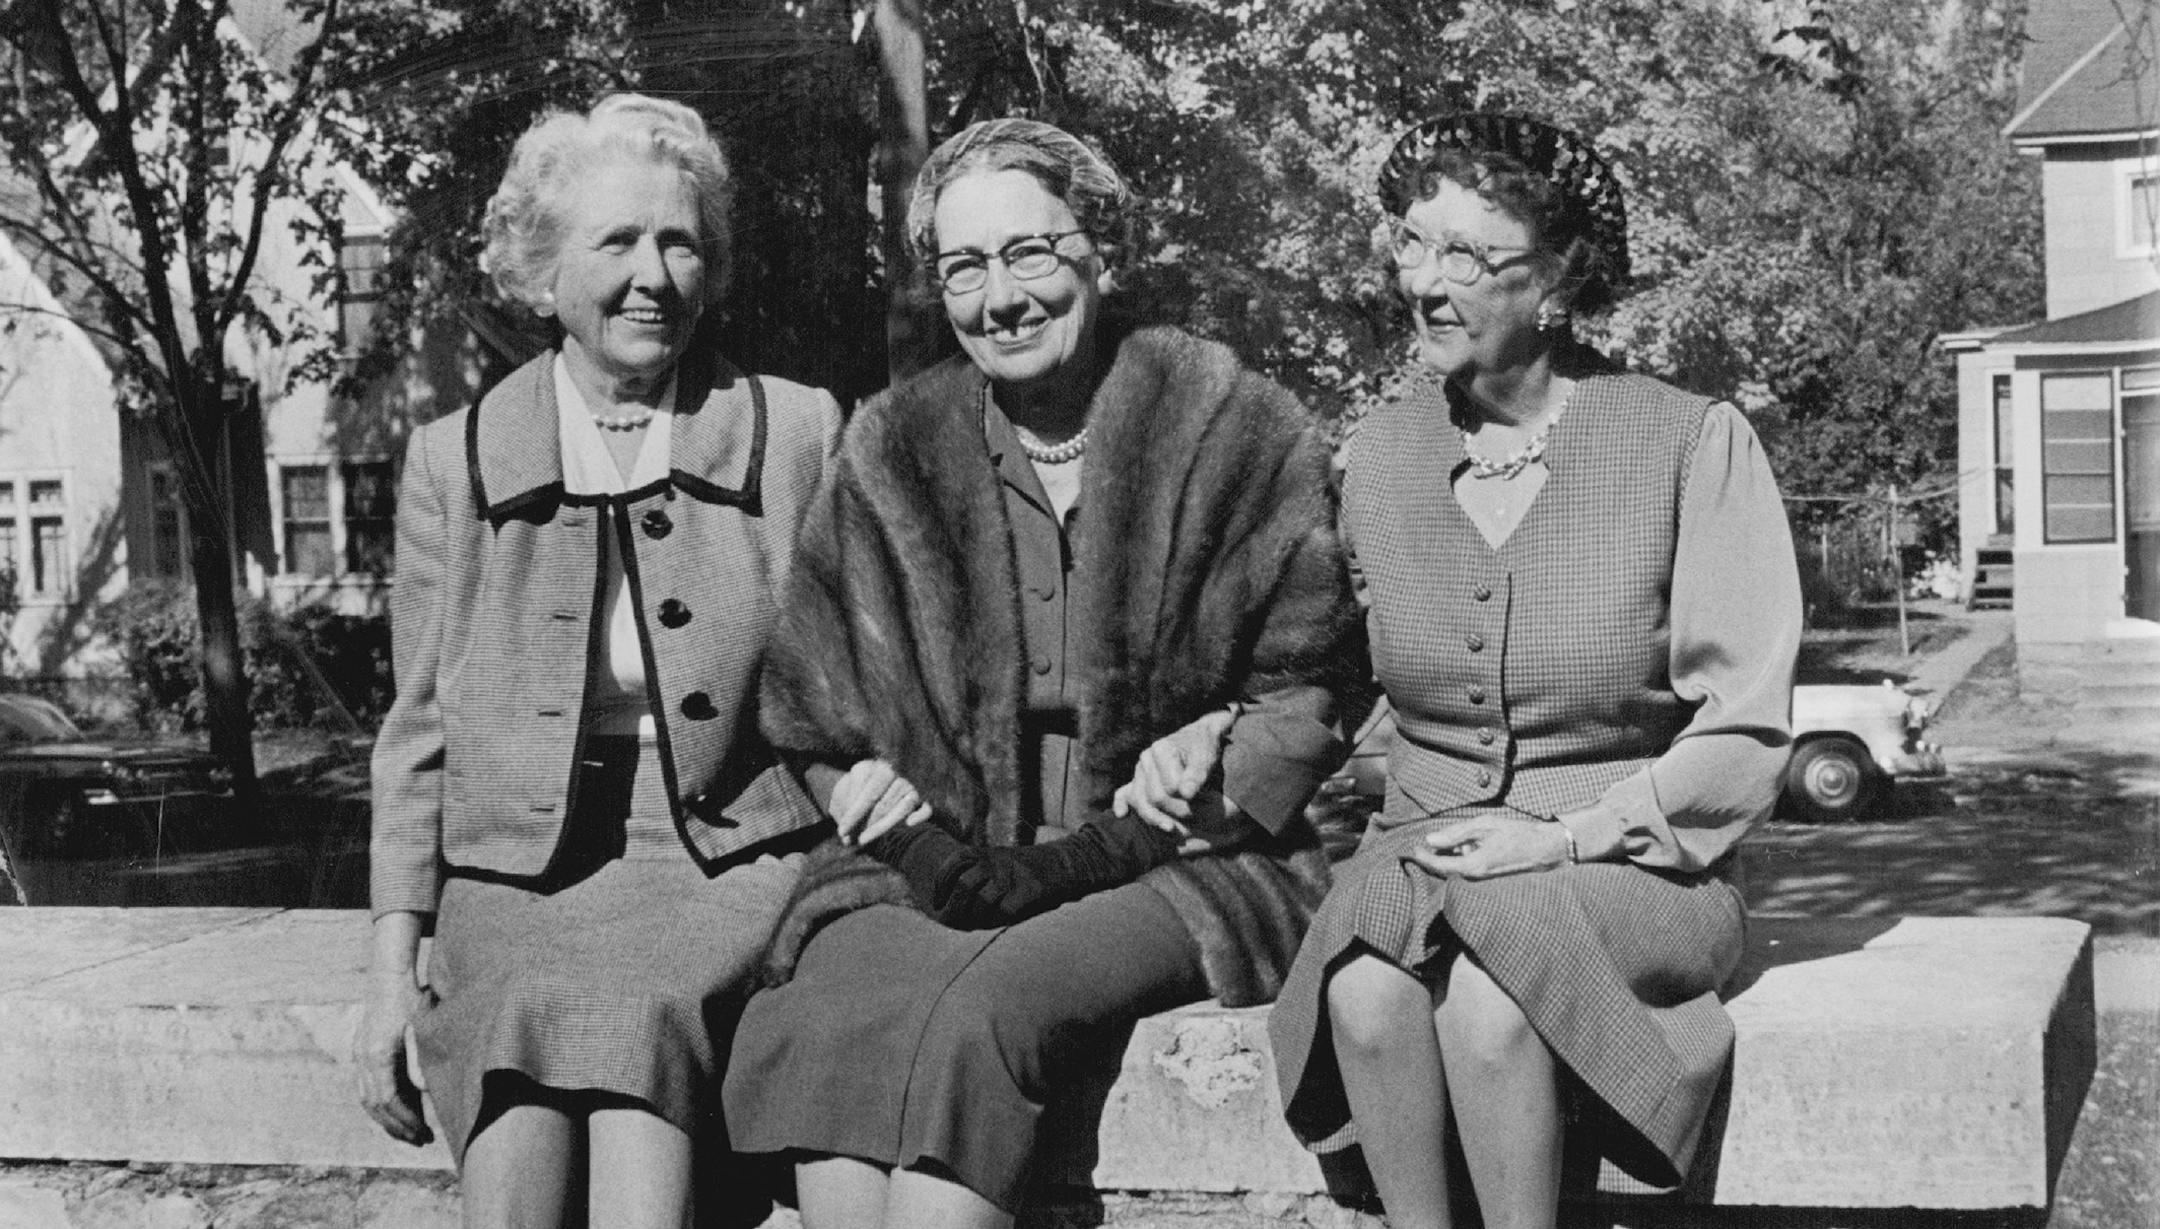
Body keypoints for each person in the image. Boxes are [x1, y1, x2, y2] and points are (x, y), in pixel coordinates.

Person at [720, 117, 1367, 1229]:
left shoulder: (1236, 426)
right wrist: (869, 801)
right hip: (949, 859)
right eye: (964, 267)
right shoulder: (892, 446)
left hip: (1180, 853)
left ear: (1099, 253)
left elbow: (1315, 689)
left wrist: (1219, 738)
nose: (1000, 297)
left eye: (1030, 252)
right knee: (821, 1009)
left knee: (989, 1009)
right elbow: (815, 715)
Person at [1267, 113, 1802, 1229]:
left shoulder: (1688, 442)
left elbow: (1744, 721)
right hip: (1423, 846)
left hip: (1634, 866)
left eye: (1466, 255)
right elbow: (1315, 679)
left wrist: (1568, 837)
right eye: (1412, 242)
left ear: (1557, 284)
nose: (1423, 281)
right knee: (1365, 990)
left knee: (1490, 996)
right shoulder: (1376, 457)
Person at [352, 93, 842, 1229]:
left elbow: (853, 689)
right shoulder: (455, 461)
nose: (653, 274)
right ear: (543, 270)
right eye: (615, 241)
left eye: (678, 241)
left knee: (640, 1015)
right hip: (515, 876)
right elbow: (417, 732)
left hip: (726, 857)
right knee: (514, 1084)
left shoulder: (796, 429)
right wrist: (388, 974)